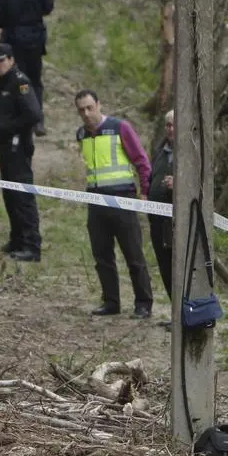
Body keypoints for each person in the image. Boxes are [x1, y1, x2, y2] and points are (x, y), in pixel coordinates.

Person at [74, 89, 154, 318]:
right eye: (81, 110)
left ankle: (143, 303)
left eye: (90, 108)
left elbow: (141, 161)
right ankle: (111, 302)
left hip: (122, 199)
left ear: (99, 105)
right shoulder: (81, 134)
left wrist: (145, 192)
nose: (86, 113)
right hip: (95, 200)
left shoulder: (120, 128)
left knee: (133, 254)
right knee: (102, 256)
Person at [0, 43, 43, 261]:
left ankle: (31, 245)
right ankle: (17, 239)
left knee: (22, 196)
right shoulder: (0, 82)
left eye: (1, 60)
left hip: (18, 146)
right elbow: (0, 113)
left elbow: (33, 115)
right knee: (10, 195)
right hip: (5, 146)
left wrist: (2, 129)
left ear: (11, 60)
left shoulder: (20, 82)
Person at [0, 0, 53, 136]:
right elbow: (48, 7)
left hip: (12, 40)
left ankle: (13, 117)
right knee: (34, 80)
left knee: (11, 80)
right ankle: (37, 120)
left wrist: (9, 22)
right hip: (34, 39)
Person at [146, 109, 175, 317]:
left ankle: (186, 316)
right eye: (168, 125)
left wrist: (178, 184)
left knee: (178, 269)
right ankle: (176, 316)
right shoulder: (160, 151)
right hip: (156, 221)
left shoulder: (190, 153)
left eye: (174, 125)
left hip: (177, 224)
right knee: (165, 268)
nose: (170, 129)